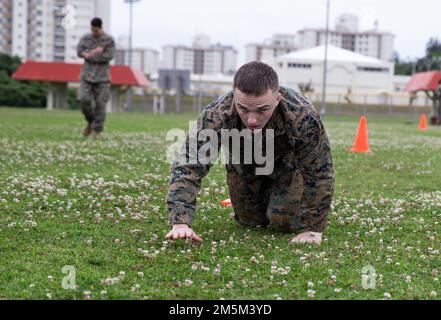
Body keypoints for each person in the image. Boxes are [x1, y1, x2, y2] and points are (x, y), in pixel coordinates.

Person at [165, 62, 335, 244]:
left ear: (277, 99)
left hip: (287, 167)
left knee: (283, 223)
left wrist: (313, 229)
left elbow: (320, 171)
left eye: (262, 109)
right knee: (250, 222)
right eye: (243, 109)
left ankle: (285, 197)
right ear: (234, 97)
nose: (252, 119)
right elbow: (188, 165)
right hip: (244, 165)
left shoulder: (301, 114)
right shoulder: (217, 114)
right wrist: (180, 222)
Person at [76, 17, 115, 138]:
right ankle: (91, 121)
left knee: (100, 104)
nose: (94, 32)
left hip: (102, 77)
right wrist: (86, 53)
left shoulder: (109, 40)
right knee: (83, 99)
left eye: (96, 30)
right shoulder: (85, 37)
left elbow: (108, 56)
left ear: (101, 28)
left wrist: (90, 55)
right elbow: (79, 51)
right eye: (92, 30)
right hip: (86, 75)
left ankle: (96, 130)